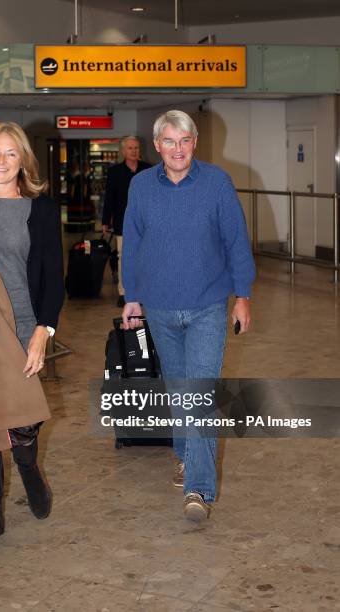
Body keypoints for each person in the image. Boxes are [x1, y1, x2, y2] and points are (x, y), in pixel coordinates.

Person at [121, 110, 256, 522]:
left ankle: (199, 488)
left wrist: (243, 295)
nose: (177, 150)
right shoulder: (141, 186)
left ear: (194, 144)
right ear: (157, 145)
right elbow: (134, 242)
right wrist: (132, 296)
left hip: (207, 306)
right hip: (160, 307)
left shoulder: (216, 183)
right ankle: (184, 454)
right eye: (169, 141)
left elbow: (236, 240)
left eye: (185, 141)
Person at [0, 122, 64, 554]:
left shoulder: (39, 208)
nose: (1, 161)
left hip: (22, 322)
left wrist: (43, 332)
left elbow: (54, 280)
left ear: (23, 161)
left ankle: (28, 469)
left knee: (21, 418)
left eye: (10, 154)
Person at [102, 136, 151, 307]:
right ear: (123, 151)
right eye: (130, 148)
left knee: (144, 259)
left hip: (146, 223)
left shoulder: (148, 170)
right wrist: (105, 220)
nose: (134, 151)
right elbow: (109, 198)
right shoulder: (115, 172)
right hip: (123, 222)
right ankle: (124, 293)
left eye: (136, 148)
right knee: (124, 257)